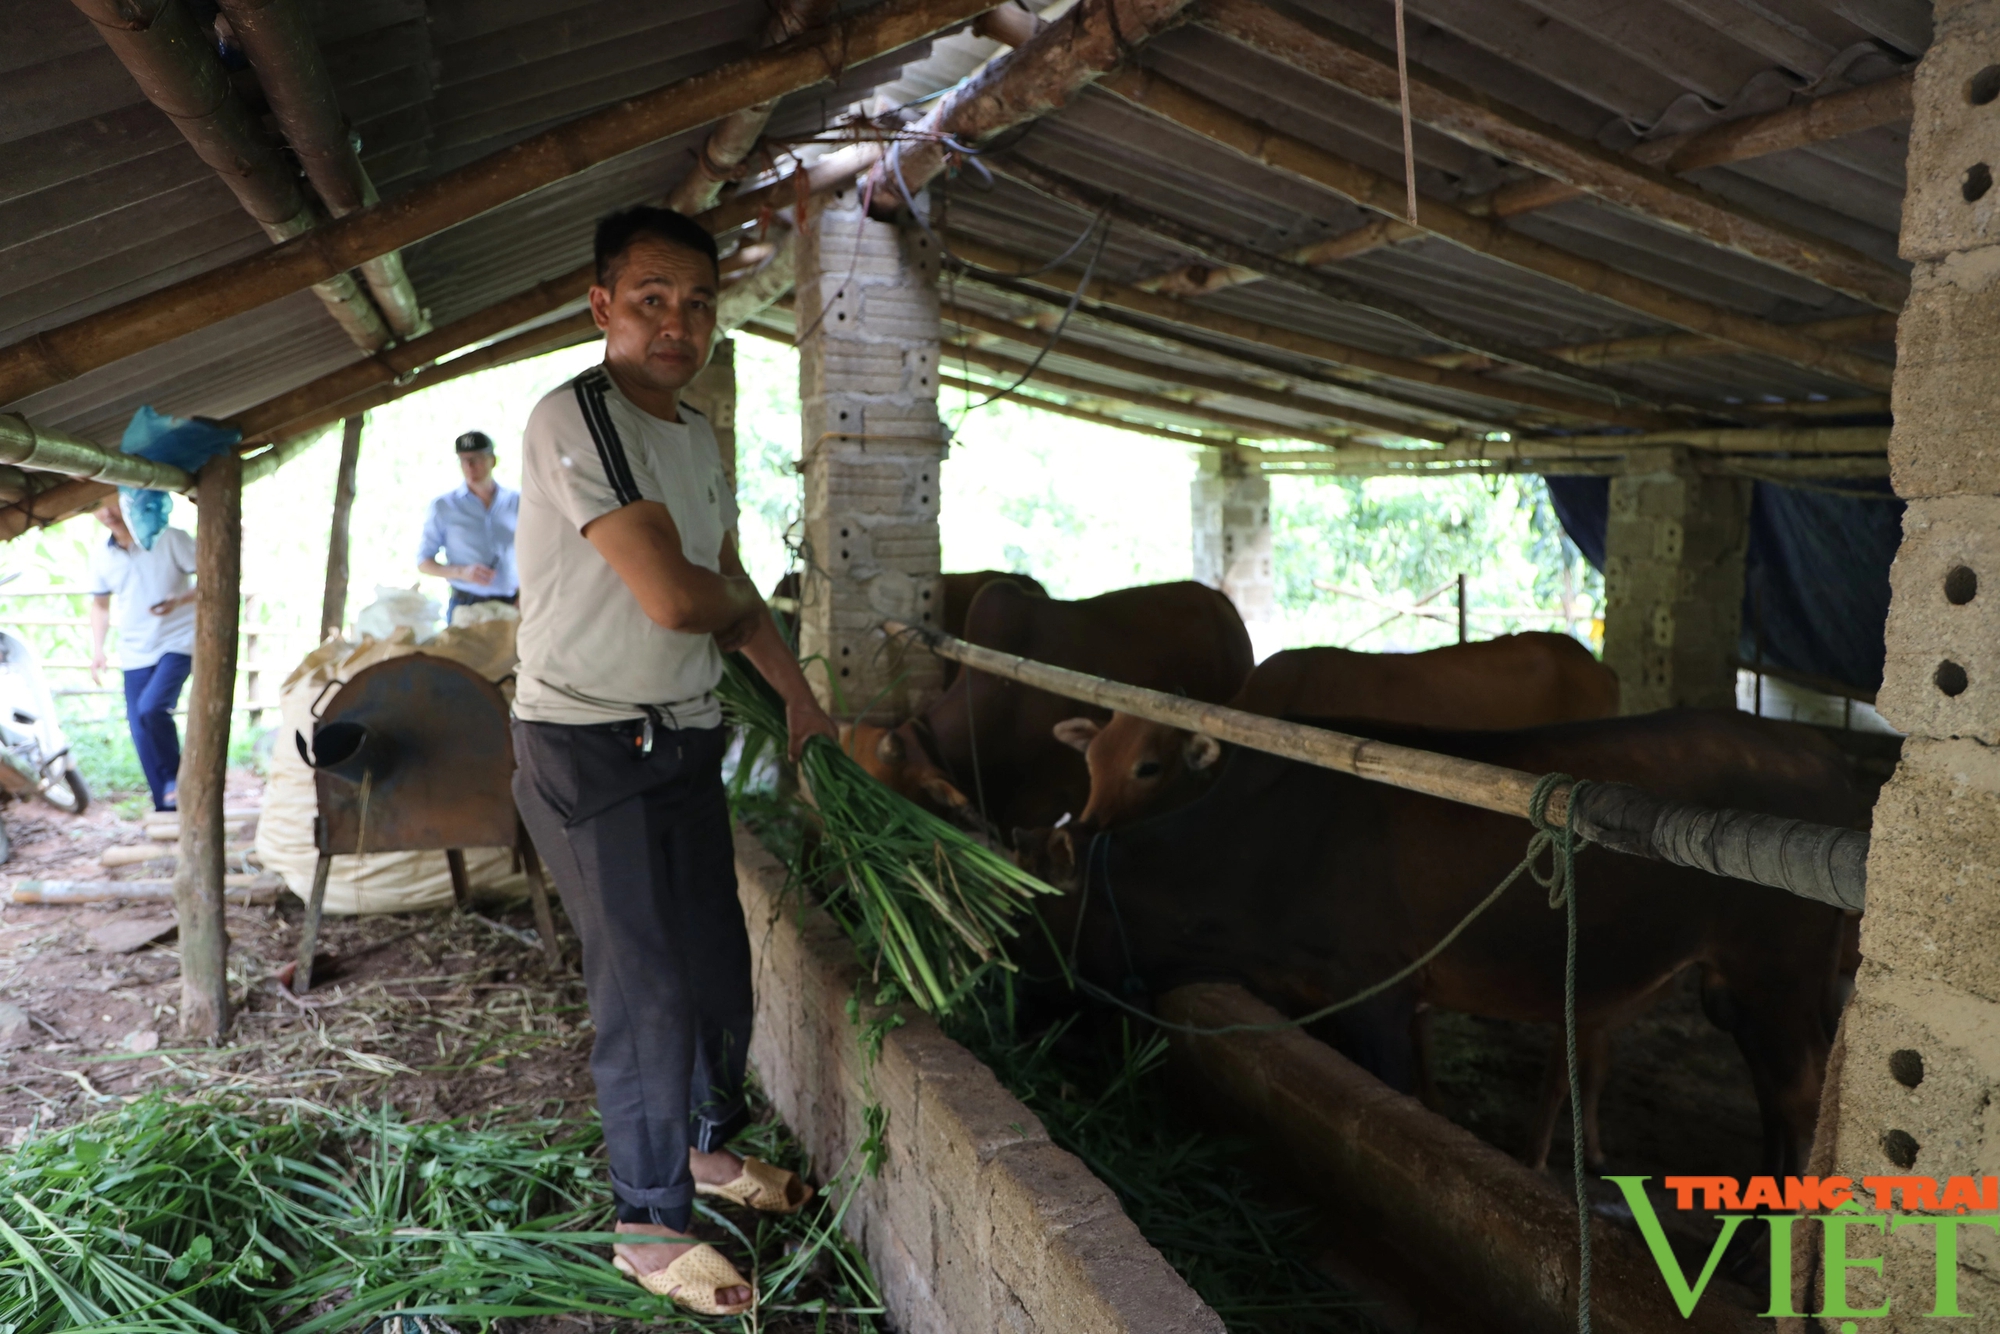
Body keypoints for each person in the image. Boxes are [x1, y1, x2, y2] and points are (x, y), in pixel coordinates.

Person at [510, 205, 836, 1316]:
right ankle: (648, 1222)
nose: (676, 321)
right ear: (602, 304)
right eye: (650, 298)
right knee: (644, 983)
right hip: (586, 741)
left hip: (683, 731)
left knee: (713, 962)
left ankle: (704, 1148)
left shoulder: (694, 433)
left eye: (697, 302)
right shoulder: (578, 417)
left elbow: (724, 575)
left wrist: (800, 702)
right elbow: (677, 593)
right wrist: (737, 606)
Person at [87, 503, 197, 812]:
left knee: (152, 708)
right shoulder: (101, 556)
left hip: (179, 641)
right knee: (139, 727)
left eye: (110, 500)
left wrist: (180, 600)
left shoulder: (171, 539)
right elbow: (100, 606)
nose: (106, 511)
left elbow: (218, 574)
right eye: (97, 505)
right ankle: (165, 805)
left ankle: (178, 783)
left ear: (128, 498)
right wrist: (98, 649)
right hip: (134, 649)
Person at [416, 430, 520, 617]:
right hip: (466, 605)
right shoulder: (444, 506)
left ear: (493, 461)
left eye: (476, 459)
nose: (469, 466)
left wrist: (526, 592)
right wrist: (462, 572)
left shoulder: (517, 502)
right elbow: (424, 562)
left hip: (514, 604)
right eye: (463, 460)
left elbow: (537, 551)